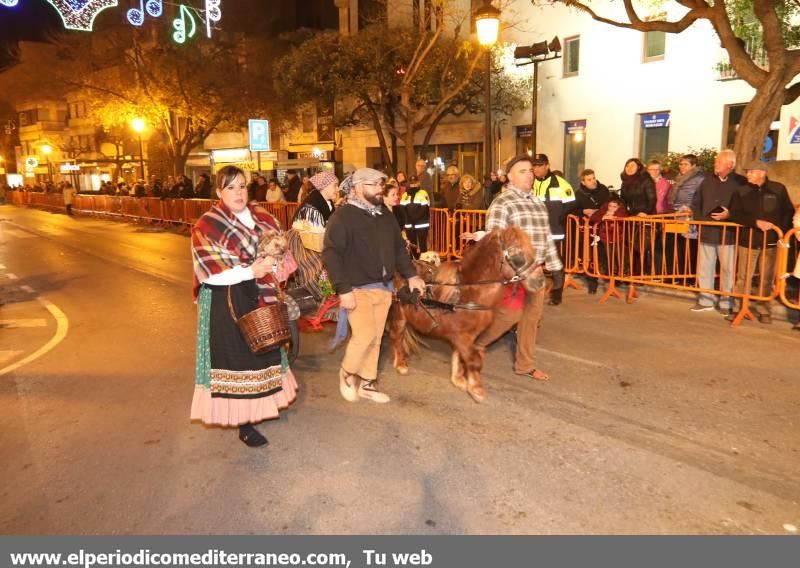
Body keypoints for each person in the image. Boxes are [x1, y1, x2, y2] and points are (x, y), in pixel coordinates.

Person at [190, 166, 299, 448]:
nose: (238, 193)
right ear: (218, 192)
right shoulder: (207, 225)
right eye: (230, 188)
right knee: (237, 362)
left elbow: (281, 255)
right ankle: (244, 424)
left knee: (262, 353)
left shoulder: (263, 217)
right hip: (227, 298)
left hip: (261, 294)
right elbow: (210, 271)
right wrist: (252, 270)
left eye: (242, 186)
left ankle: (257, 408)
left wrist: (271, 265)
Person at [322, 168, 425, 404]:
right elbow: (331, 253)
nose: (380, 189)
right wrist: (343, 288)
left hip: (384, 287)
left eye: (381, 184)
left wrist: (411, 275)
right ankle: (347, 373)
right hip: (357, 288)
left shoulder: (385, 215)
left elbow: (399, 248)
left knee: (377, 338)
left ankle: (367, 383)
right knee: (365, 335)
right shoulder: (343, 216)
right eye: (374, 184)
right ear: (357, 187)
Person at [475, 154, 564, 382]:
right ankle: (477, 343)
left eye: (530, 171)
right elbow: (496, 239)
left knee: (531, 319)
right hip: (514, 271)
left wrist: (555, 268)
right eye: (522, 171)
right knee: (511, 315)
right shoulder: (503, 202)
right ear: (510, 177)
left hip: (536, 272)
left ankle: (525, 365)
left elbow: (546, 237)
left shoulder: (538, 202)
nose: (529, 175)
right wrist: (522, 268)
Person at [727, 162, 794, 324]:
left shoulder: (778, 189)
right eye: (747, 172)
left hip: (771, 242)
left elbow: (788, 212)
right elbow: (734, 215)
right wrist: (755, 222)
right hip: (747, 240)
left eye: (751, 172)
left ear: (762, 173)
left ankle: (764, 310)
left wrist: (780, 233)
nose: (747, 175)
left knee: (767, 279)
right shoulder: (741, 191)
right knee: (743, 278)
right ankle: (738, 308)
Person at [690, 149, 748, 314]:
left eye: (718, 162)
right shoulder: (707, 180)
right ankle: (705, 300)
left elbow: (745, 207)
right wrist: (701, 219)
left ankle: (726, 303)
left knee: (728, 270)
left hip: (728, 233)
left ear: (729, 165)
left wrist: (729, 214)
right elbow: (696, 202)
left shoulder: (741, 182)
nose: (715, 164)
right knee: (704, 268)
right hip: (707, 230)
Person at [531, 153, 578, 305]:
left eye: (540, 165)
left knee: (555, 263)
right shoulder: (530, 182)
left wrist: (559, 217)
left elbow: (572, 204)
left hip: (554, 231)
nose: (536, 168)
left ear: (547, 166)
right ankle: (530, 294)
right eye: (535, 165)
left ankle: (556, 296)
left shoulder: (560, 183)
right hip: (533, 231)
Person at [669, 154, 705, 283]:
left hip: (690, 216)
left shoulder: (699, 178)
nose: (682, 167)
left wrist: (692, 209)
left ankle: (691, 277)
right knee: (679, 246)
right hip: (678, 215)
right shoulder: (679, 177)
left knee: (690, 246)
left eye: (685, 164)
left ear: (693, 166)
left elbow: (701, 197)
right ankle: (680, 274)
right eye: (681, 164)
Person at [399, 175, 431, 258]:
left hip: (421, 223)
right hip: (409, 224)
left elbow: (425, 208)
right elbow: (402, 209)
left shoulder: (423, 193)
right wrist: (407, 220)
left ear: (419, 183)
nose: (413, 185)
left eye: (415, 183)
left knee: (422, 245)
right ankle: (415, 261)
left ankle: (424, 263)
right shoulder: (405, 194)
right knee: (412, 244)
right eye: (412, 183)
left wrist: (415, 218)